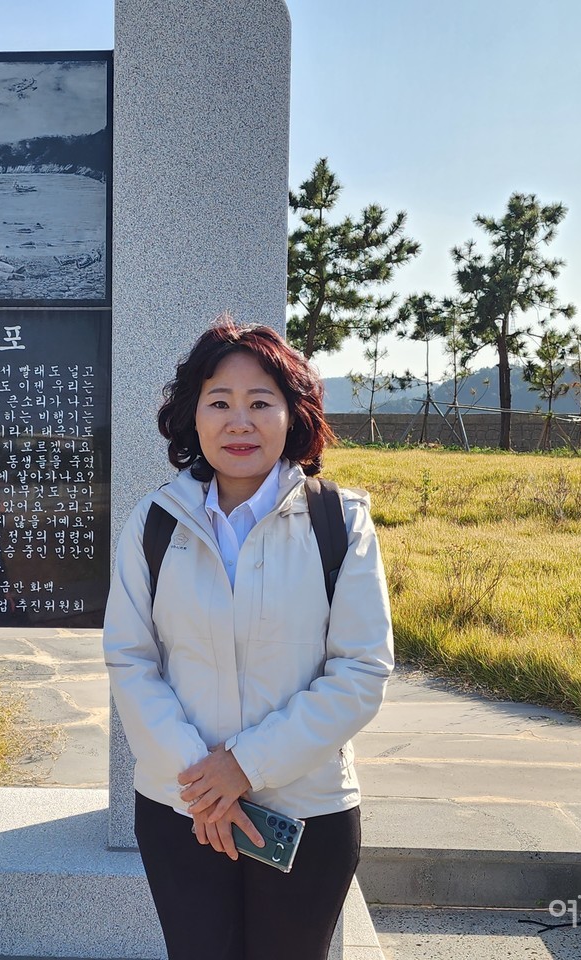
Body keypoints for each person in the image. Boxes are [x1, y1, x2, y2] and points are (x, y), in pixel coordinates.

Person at [103, 316, 394, 960]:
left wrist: (244, 766)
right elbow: (131, 658)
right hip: (181, 809)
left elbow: (361, 669)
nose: (240, 422)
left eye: (261, 403)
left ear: (294, 414)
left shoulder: (338, 521)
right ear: (193, 416)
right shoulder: (154, 522)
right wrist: (204, 782)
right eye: (220, 403)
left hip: (305, 812)